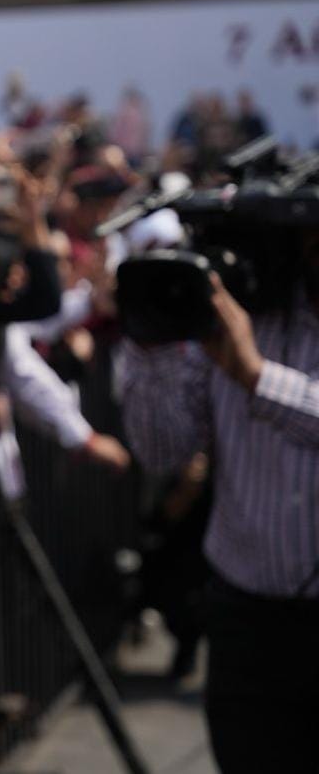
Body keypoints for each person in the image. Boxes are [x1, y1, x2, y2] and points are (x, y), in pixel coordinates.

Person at [119, 234, 319, 773]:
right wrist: (151, 342)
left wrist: (257, 377)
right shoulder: (232, 311)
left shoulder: (245, 346)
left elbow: (260, 377)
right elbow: (162, 450)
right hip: (247, 623)